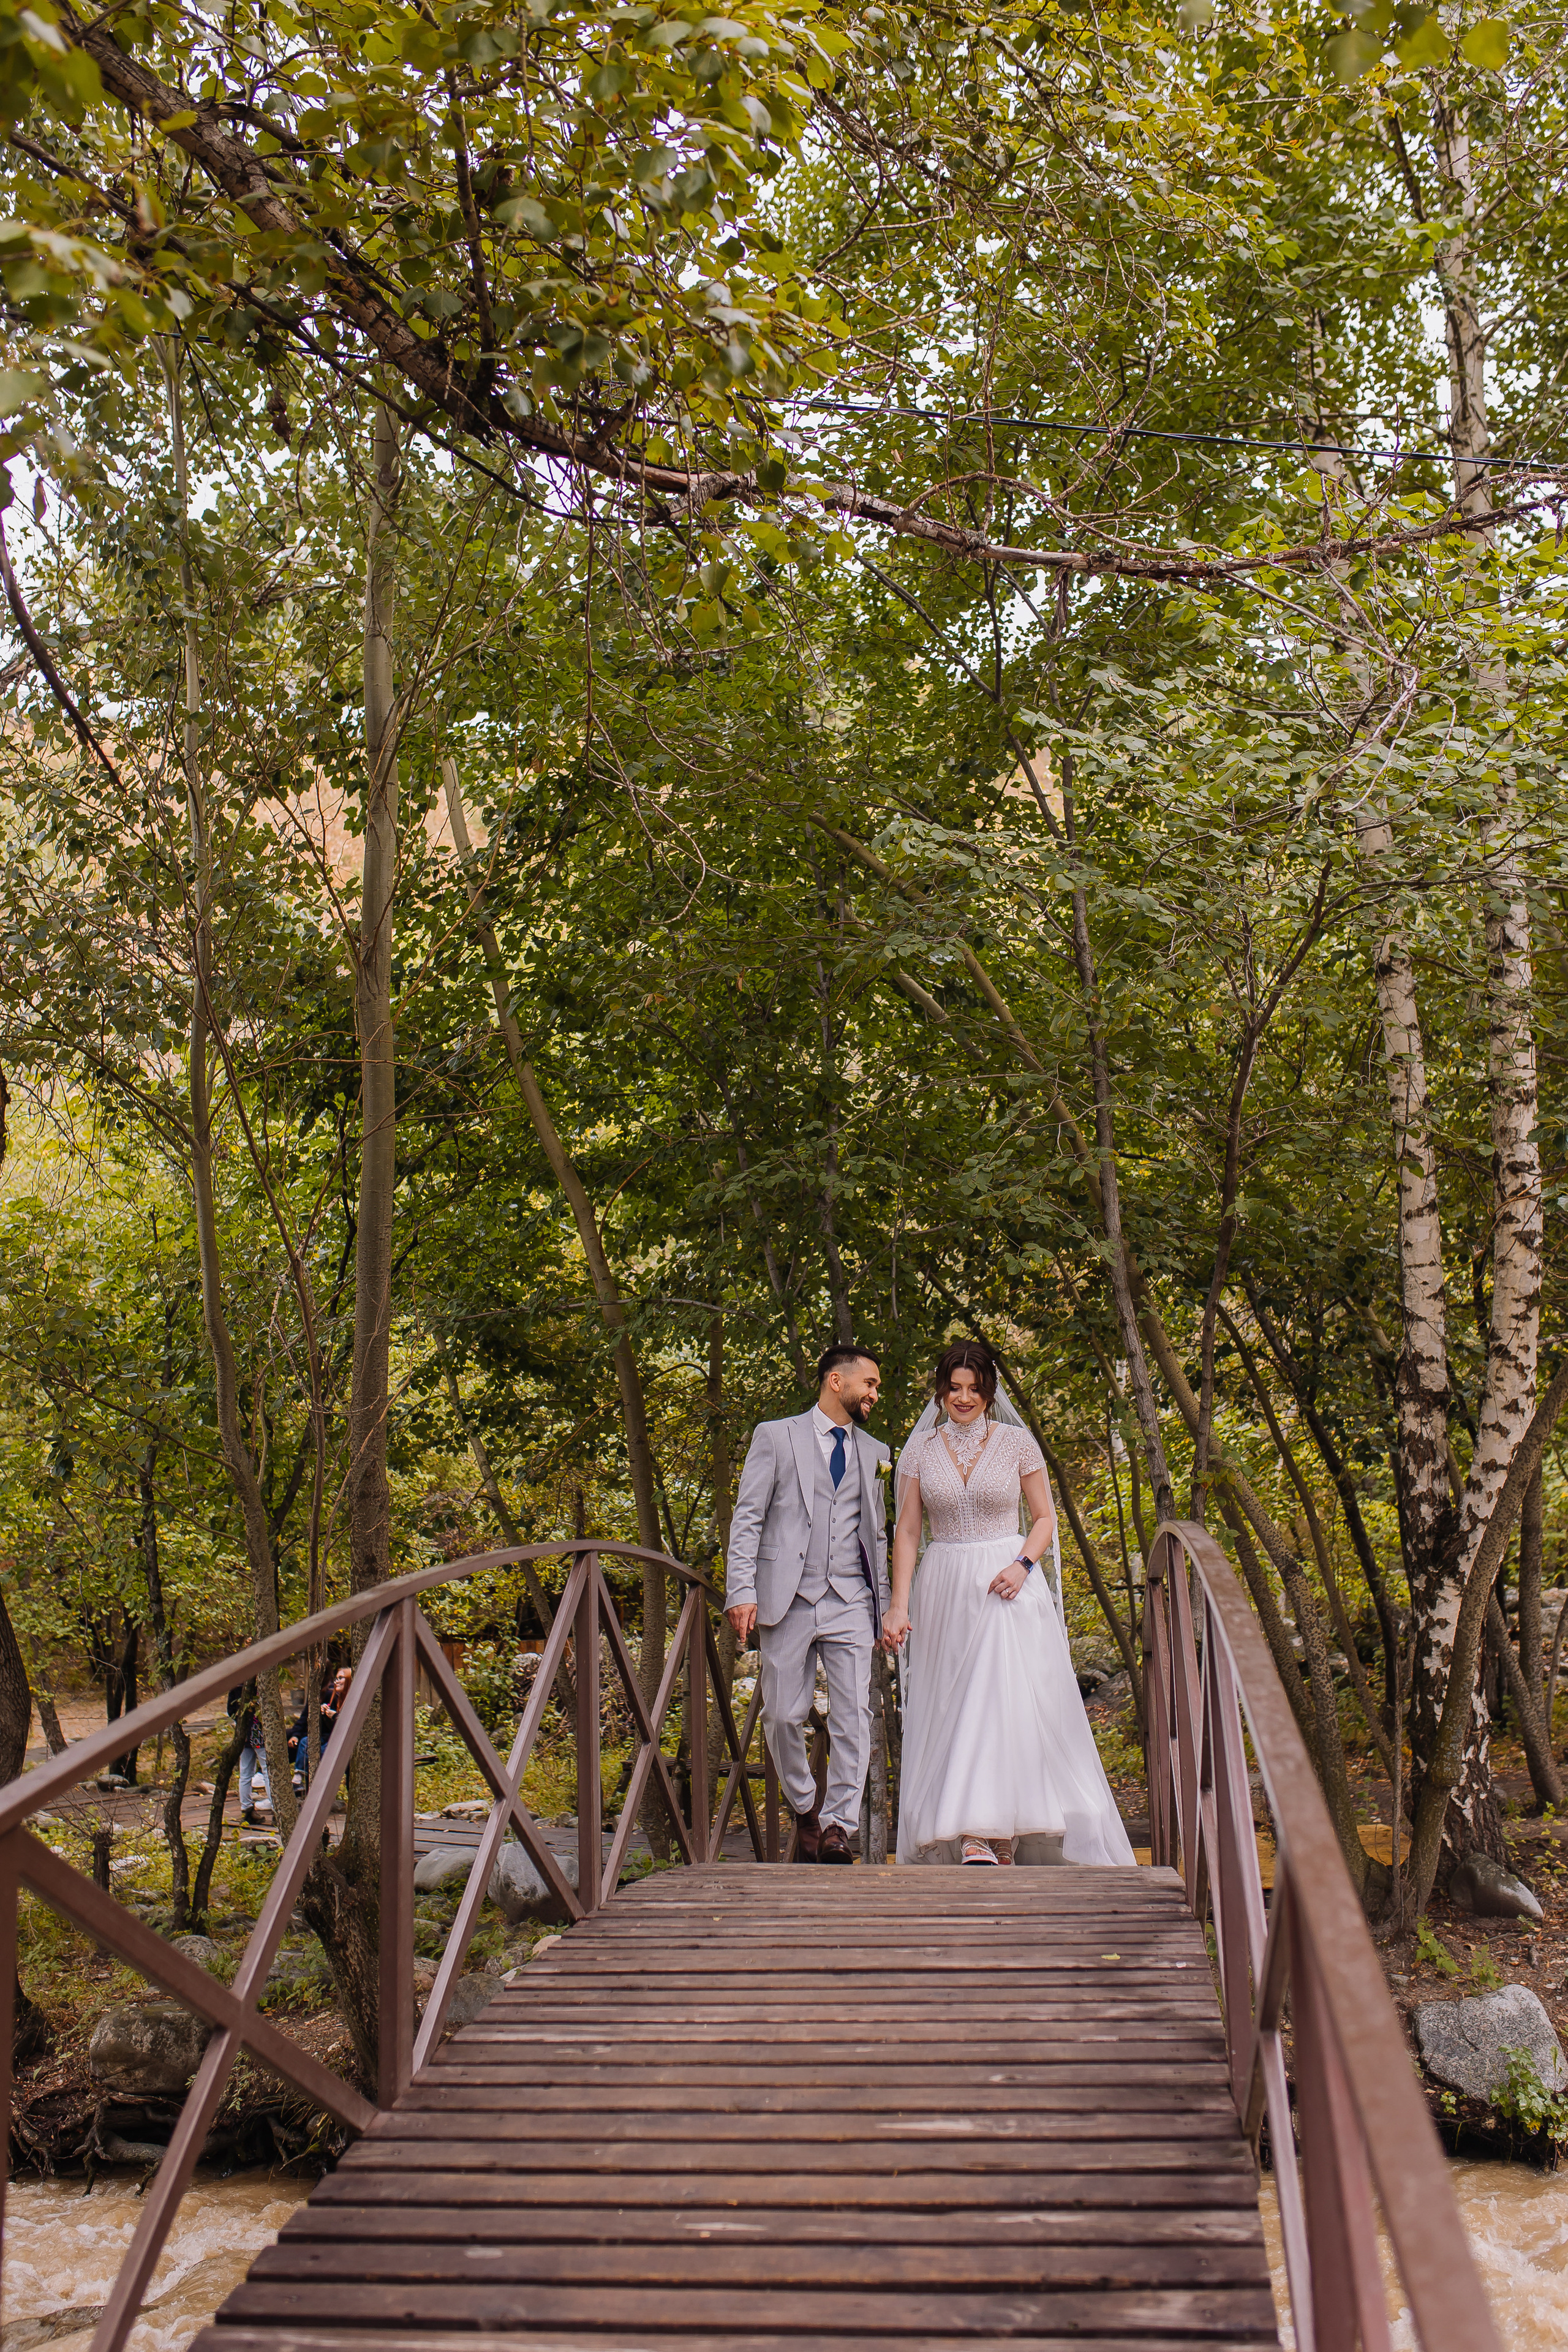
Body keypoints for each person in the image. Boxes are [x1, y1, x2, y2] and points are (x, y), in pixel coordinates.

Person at [884, 1338, 1135, 1868]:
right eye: (954, 1388)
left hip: (1008, 1580)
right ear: (941, 1390)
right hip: (946, 1584)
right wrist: (899, 1605)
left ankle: (991, 1835)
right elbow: (908, 1531)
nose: (964, 1398)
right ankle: (980, 1833)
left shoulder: (1018, 1444)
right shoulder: (920, 1451)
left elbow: (1044, 1517)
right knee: (956, 1705)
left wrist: (1023, 1565)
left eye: (974, 1389)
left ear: (990, 1391)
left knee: (1001, 1701)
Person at [725, 1344, 891, 1864]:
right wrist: (741, 1589)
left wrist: (886, 1609)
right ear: (835, 1382)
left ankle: (840, 1824)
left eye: (878, 1387)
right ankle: (805, 1809)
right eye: (869, 1383)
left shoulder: (877, 1451)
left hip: (851, 1599)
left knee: (853, 1717)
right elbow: (748, 1516)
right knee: (781, 1715)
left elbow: (878, 1537)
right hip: (787, 1597)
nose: (874, 1394)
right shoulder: (775, 1436)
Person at [288, 1664, 352, 1794]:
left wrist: (335, 1716)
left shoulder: (352, 1699)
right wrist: (324, 1714)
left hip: (343, 1743)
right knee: (306, 1742)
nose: (337, 1681)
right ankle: (298, 1778)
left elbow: (348, 1725)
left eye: (341, 1678)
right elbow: (307, 1718)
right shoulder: (332, 1696)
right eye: (337, 1678)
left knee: (322, 1753)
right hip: (329, 1738)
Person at [227, 1682, 268, 1827]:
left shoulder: (236, 1687)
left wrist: (241, 1721)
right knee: (267, 1769)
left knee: (245, 1772)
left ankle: (246, 1809)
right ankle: (277, 1809)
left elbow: (231, 1710)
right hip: (258, 1730)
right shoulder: (259, 1684)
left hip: (243, 1732)